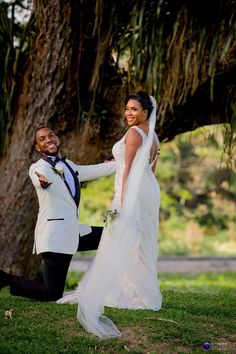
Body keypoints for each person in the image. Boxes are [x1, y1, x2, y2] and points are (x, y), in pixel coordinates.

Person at [57, 92, 162, 338]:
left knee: (119, 235)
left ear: (146, 112)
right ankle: (143, 290)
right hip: (149, 188)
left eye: (134, 109)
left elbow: (127, 172)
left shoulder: (135, 133)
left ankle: (125, 290)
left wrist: (123, 199)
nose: (128, 113)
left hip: (132, 191)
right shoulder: (152, 134)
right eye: (127, 108)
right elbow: (149, 165)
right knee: (140, 239)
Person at [0, 127, 116, 301]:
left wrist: (126, 161)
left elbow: (94, 170)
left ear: (57, 138)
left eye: (50, 135)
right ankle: (4, 279)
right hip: (55, 237)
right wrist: (42, 182)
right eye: (42, 139)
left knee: (111, 236)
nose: (48, 139)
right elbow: (38, 178)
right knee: (52, 293)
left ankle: (109, 285)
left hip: (71, 231)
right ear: (38, 148)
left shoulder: (69, 166)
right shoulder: (38, 167)